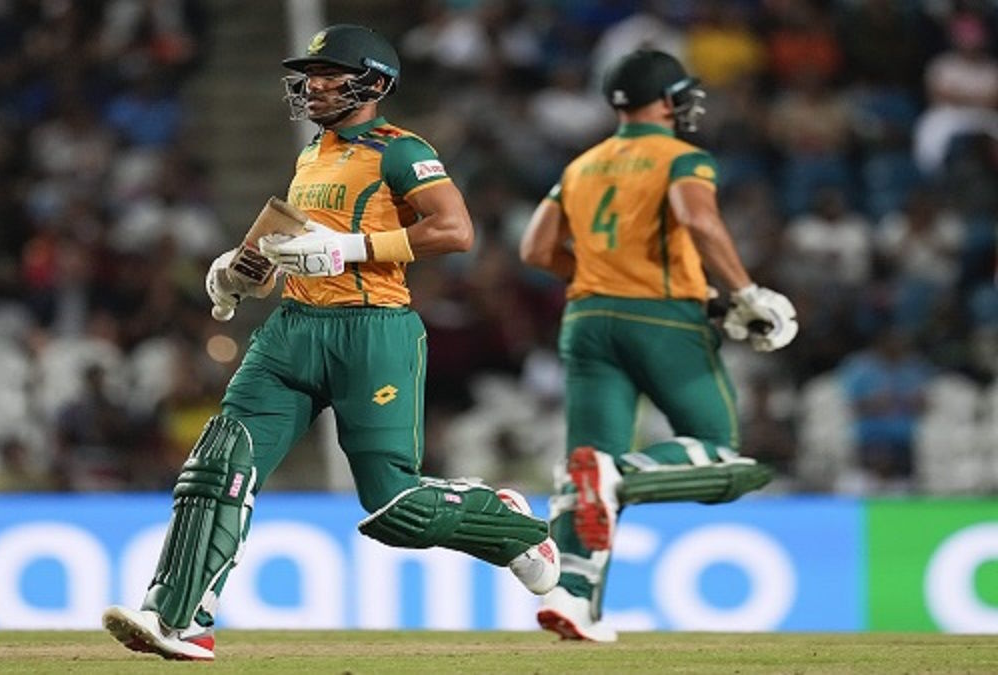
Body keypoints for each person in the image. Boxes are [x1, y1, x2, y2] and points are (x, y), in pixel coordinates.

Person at [102, 24, 560, 661]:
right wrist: (238, 270)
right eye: (310, 76)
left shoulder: (401, 150)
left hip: (373, 332)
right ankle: (178, 618)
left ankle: (505, 522)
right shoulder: (311, 155)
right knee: (219, 463)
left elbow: (456, 231)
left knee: (394, 506)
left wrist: (350, 248)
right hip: (292, 329)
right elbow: (291, 244)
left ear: (373, 83)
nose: (313, 86)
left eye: (329, 75)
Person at [519, 49, 798, 642]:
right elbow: (697, 220)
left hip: (587, 320)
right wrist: (745, 292)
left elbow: (537, 250)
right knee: (724, 458)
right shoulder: (681, 158)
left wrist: (607, 277)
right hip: (663, 320)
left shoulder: (582, 164)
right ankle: (618, 477)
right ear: (669, 100)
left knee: (584, 468)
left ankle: (572, 597)